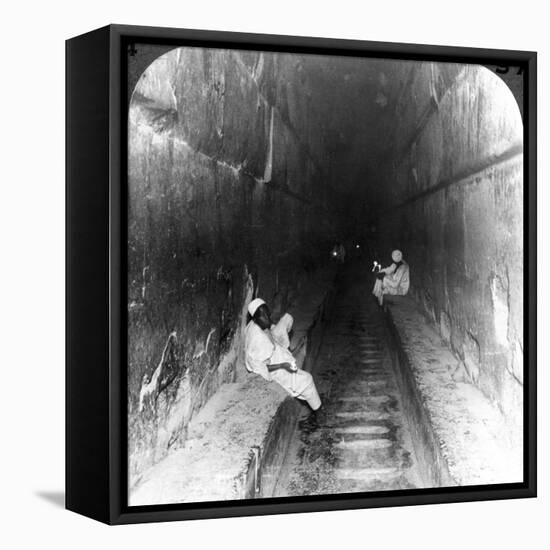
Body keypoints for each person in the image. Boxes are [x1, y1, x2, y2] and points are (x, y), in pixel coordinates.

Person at [244, 298, 322, 411]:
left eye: (268, 314)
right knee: (307, 380)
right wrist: (283, 365)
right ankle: (318, 410)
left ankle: (285, 349)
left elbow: (268, 327)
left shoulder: (257, 323)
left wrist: (272, 331)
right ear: (255, 319)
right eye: (263, 316)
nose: (267, 318)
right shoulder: (258, 340)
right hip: (274, 366)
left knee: (287, 318)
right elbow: (263, 368)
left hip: (272, 346)